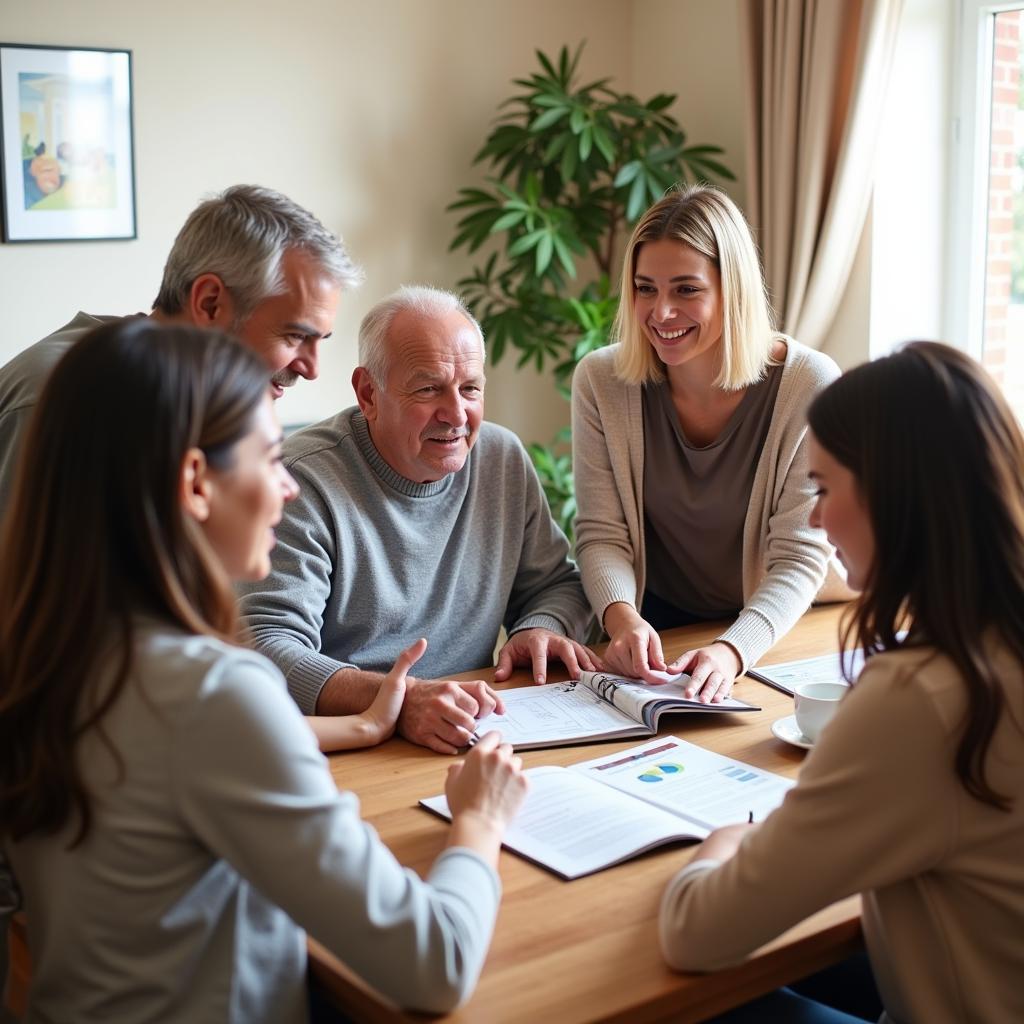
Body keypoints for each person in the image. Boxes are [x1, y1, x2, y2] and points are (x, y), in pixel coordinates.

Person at [0, 319, 528, 1022]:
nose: (286, 488)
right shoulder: (210, 693)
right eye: (269, 457)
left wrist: (357, 724)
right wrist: (479, 821)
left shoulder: (55, 650)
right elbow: (435, 964)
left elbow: (163, 771)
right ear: (196, 482)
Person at [658, 342, 1024, 1023]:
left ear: (894, 494)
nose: (818, 520)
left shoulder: (924, 696)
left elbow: (694, 931)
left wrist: (722, 844)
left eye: (824, 488)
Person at [239, 285, 597, 754]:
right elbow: (266, 648)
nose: (456, 414)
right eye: (428, 389)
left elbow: (557, 583)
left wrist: (542, 626)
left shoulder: (500, 458)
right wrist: (397, 700)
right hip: (345, 744)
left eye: (470, 388)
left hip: (472, 729)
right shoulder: (298, 481)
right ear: (368, 393)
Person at [572, 184, 848, 702]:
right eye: (645, 288)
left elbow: (799, 556)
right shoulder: (600, 381)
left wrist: (733, 649)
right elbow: (601, 534)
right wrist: (621, 618)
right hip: (656, 633)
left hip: (765, 625)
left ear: (732, 290)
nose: (661, 312)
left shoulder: (808, 384)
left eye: (686, 289)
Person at [0, 183, 359, 514]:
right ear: (209, 303)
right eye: (295, 336)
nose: (311, 369)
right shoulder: (67, 400)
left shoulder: (195, 406)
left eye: (320, 341)